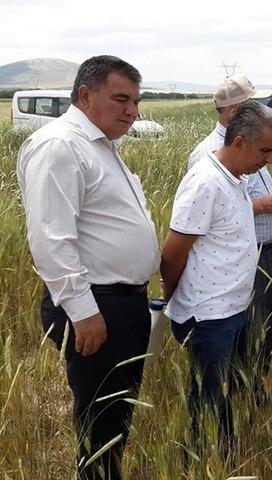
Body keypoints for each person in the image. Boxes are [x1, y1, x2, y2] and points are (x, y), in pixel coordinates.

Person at [17, 55, 159, 480]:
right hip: (97, 307)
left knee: (114, 417)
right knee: (100, 422)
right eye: (121, 99)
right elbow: (50, 239)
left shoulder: (100, 145)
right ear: (85, 95)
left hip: (119, 303)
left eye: (136, 101)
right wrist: (84, 313)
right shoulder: (60, 145)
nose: (132, 111)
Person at [160, 101, 272, 451]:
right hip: (208, 314)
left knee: (223, 391)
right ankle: (202, 458)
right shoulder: (205, 182)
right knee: (209, 398)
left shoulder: (234, 177)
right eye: (266, 150)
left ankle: (224, 453)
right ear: (239, 143)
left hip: (233, 308)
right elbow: (172, 253)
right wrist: (169, 295)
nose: (270, 160)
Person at [188, 75, 272, 398]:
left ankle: (253, 389)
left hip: (263, 252)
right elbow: (212, 212)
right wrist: (267, 203)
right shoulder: (208, 153)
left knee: (262, 329)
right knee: (237, 334)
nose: (258, 109)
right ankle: (232, 398)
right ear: (233, 111)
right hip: (237, 261)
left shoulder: (251, 139)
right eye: (251, 104)